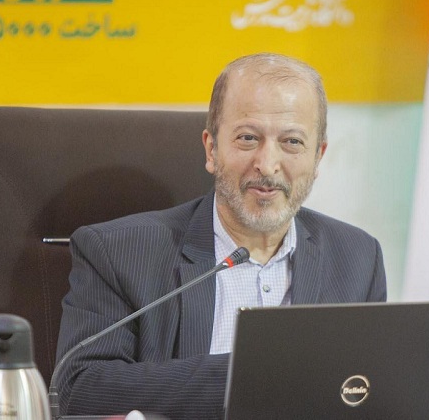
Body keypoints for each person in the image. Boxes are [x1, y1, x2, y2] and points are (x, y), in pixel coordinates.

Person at [55, 53, 387, 419]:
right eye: (248, 138)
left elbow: (370, 393)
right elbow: (81, 387)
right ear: (212, 149)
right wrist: (250, 374)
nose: (267, 164)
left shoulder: (358, 257)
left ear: (318, 157)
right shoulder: (118, 252)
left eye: (292, 142)